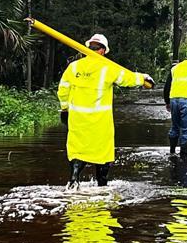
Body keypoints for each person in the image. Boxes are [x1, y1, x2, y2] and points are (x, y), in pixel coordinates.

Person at [58, 34, 155, 191]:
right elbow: (128, 78)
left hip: (77, 119)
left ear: (89, 47)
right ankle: (102, 187)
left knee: (77, 149)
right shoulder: (108, 67)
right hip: (99, 121)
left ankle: (74, 179)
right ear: (103, 51)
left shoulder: (74, 67)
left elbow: (63, 88)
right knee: (102, 153)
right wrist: (143, 77)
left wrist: (64, 109)